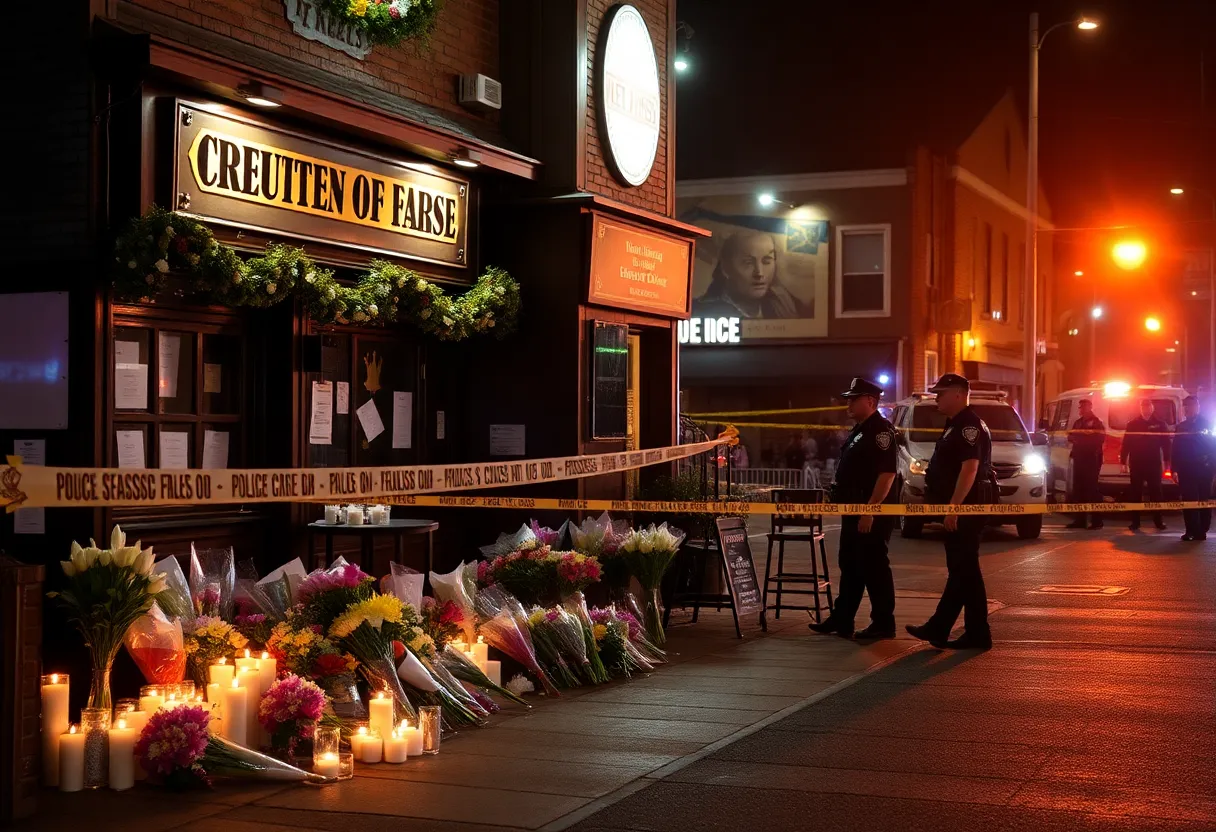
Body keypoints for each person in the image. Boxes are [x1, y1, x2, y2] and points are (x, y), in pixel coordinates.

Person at [906, 374, 994, 650]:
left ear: (958, 394)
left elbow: (969, 468)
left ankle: (973, 633)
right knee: (962, 571)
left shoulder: (968, 425)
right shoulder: (955, 424)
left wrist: (954, 507)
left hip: (966, 507)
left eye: (941, 393)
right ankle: (947, 628)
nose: (937, 398)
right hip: (960, 506)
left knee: (964, 569)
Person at [808, 377, 898, 640]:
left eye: (853, 398)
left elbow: (887, 474)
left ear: (870, 401)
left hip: (870, 510)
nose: (847, 403)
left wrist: (870, 510)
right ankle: (842, 618)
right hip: (853, 508)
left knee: (874, 566)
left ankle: (883, 623)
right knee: (850, 564)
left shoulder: (881, 431)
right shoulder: (859, 431)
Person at [692, 230, 813, 319]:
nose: (759, 273)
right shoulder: (699, 311)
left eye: (766, 261)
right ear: (725, 267)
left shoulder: (787, 305)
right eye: (748, 263)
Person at [1121, 398, 1170, 531]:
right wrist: (1123, 462)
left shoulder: (1160, 424)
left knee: (1156, 492)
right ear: (1140, 408)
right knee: (1135, 492)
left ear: (1152, 408)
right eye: (1143, 406)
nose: (1146, 409)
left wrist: (1167, 462)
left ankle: (1158, 521)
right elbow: (1126, 443)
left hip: (1153, 463)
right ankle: (1135, 522)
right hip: (1136, 463)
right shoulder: (1132, 424)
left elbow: (1166, 445)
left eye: (1148, 406)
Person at [1173, 396, 1214, 541]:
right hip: (1186, 469)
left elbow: (1214, 447)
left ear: (1197, 407)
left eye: (1190, 406)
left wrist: (1213, 468)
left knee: (1203, 500)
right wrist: (1174, 469)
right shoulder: (1181, 426)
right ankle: (1190, 530)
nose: (1188, 409)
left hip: (1204, 468)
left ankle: (1202, 530)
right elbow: (1175, 449)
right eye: (1186, 407)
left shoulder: (1208, 424)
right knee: (1189, 501)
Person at [1066, 398, 1106, 530]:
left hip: (1091, 459)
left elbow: (1099, 439)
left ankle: (1097, 521)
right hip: (1079, 459)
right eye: (1080, 407)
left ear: (1090, 407)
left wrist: (1081, 440)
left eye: (1083, 407)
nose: (1081, 409)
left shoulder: (1096, 423)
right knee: (1079, 490)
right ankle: (1080, 520)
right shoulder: (1078, 423)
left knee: (1092, 490)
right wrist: (1080, 439)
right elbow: (1070, 436)